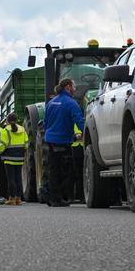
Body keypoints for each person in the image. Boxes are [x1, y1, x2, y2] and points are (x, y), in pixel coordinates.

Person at [43, 79, 84, 207]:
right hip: (63, 140)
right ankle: (57, 198)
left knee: (53, 169)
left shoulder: (51, 102)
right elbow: (80, 121)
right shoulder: (71, 103)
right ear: (68, 87)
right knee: (65, 170)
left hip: (50, 140)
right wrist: (87, 133)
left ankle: (51, 196)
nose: (75, 88)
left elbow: (45, 123)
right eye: (74, 86)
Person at [0, 113, 28, 205]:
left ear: (7, 121)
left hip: (9, 158)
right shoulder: (22, 129)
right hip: (20, 158)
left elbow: (3, 144)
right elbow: (26, 144)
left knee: (11, 179)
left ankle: (12, 198)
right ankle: (18, 198)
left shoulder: (5, 130)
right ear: (17, 119)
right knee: (18, 178)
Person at [68, 124, 85, 203]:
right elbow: (67, 134)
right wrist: (75, 137)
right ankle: (70, 197)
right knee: (71, 174)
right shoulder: (71, 123)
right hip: (72, 149)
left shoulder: (83, 122)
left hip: (82, 149)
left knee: (81, 175)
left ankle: (82, 197)